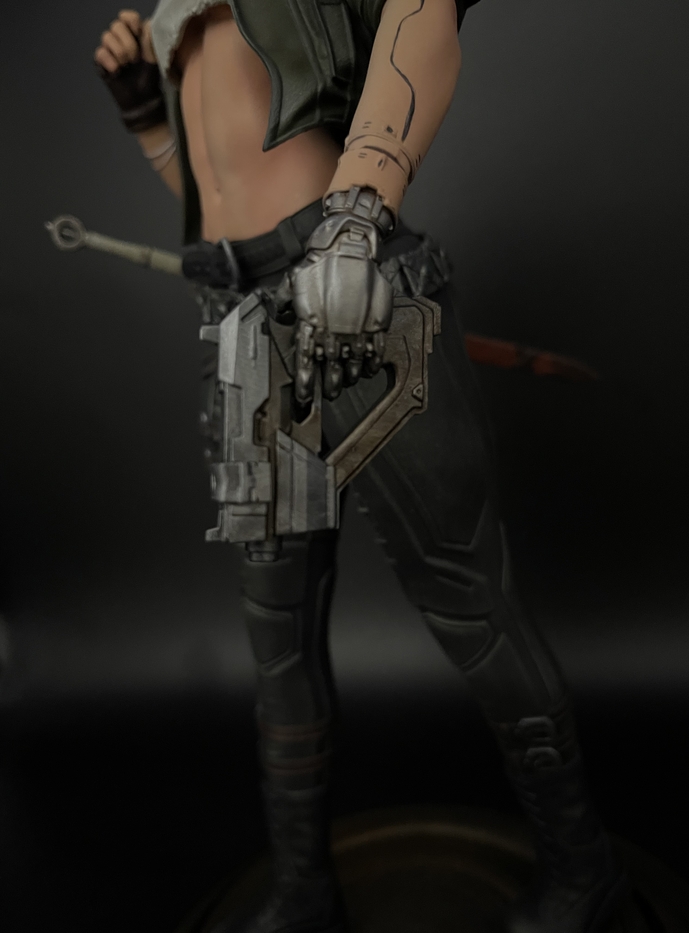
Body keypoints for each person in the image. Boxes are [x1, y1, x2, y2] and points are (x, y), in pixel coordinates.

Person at [95, 3, 625, 932]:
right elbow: (219, 192)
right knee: (280, 645)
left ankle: (586, 871)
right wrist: (148, 117)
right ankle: (303, 890)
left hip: (351, 295)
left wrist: (357, 210)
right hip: (245, 324)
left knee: (475, 611)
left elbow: (423, 10)